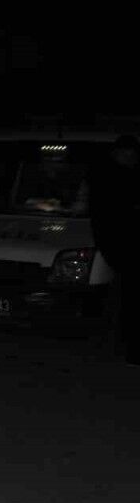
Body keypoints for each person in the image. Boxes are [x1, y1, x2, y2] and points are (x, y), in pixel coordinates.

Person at [88, 134, 140, 366]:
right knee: (129, 300)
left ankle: (125, 345)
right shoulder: (110, 179)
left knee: (126, 300)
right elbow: (109, 219)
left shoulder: (115, 176)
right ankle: (130, 348)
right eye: (128, 154)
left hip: (120, 247)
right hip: (122, 248)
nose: (132, 158)